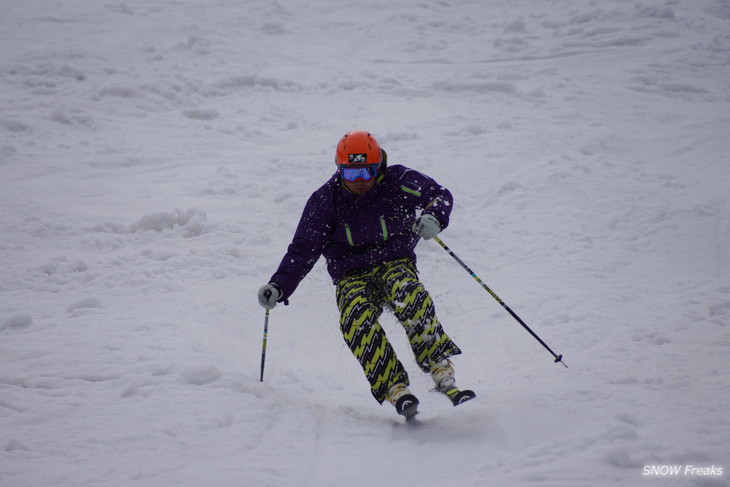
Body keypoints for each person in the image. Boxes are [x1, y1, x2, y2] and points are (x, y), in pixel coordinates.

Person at [257, 130, 469, 420]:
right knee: (355, 319)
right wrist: (279, 285)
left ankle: (439, 365)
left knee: (410, 293)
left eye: (367, 171)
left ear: (378, 165)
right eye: (351, 173)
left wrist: (434, 217)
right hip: (350, 273)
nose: (360, 181)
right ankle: (393, 385)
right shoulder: (325, 201)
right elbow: (303, 249)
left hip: (396, 260)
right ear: (339, 168)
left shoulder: (397, 181)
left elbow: (438, 195)